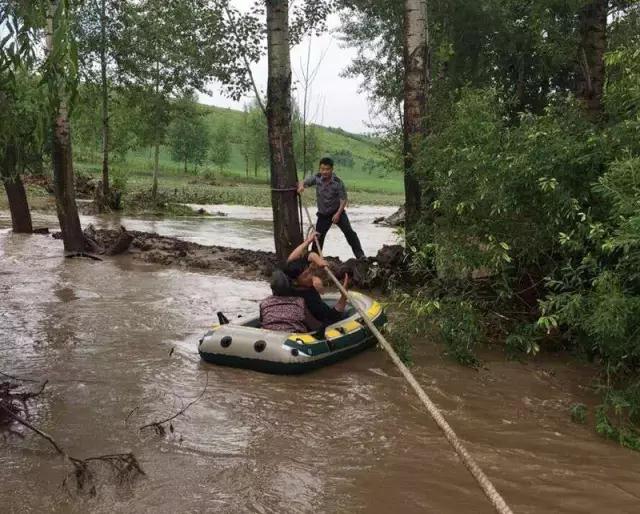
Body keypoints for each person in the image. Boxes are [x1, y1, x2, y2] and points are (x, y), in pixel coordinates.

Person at [298, 157, 365, 259]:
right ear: (320, 169)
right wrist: (301, 186)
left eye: (327, 169)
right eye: (322, 169)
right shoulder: (317, 178)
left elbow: (343, 200)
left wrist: (338, 214)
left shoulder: (338, 182)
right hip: (323, 214)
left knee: (349, 233)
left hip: (337, 212)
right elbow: (302, 182)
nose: (324, 172)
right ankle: (315, 259)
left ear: (332, 169)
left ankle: (361, 256)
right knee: (318, 237)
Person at [282, 230, 350, 326]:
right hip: (320, 325)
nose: (311, 276)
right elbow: (332, 318)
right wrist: (343, 297)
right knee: (347, 314)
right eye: (306, 275)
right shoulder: (309, 300)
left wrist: (309, 242)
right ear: (296, 281)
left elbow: (292, 259)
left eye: (310, 271)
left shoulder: (289, 284)